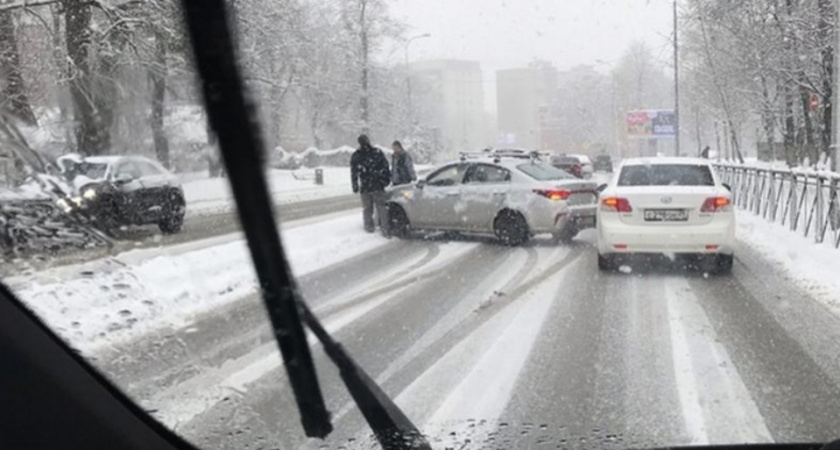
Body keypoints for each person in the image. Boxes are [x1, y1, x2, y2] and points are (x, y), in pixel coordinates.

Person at [351, 134, 391, 235]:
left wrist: (355, 184)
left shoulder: (356, 155)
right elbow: (385, 166)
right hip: (377, 184)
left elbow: (354, 172)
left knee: (367, 209)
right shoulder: (377, 152)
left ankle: (369, 228)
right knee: (381, 207)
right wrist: (385, 179)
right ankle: (385, 229)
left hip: (365, 186)